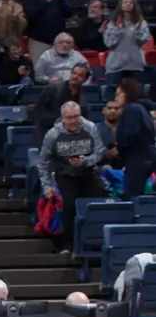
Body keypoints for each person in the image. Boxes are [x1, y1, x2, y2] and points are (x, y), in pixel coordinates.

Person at [39, 101, 104, 246]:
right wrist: (46, 185)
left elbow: (99, 152)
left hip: (88, 172)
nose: (74, 121)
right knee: (69, 206)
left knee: (96, 205)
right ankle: (70, 244)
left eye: (76, 116)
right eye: (69, 118)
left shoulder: (90, 128)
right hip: (65, 174)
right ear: (62, 118)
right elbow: (43, 162)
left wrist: (85, 161)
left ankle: (94, 242)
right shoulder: (53, 135)